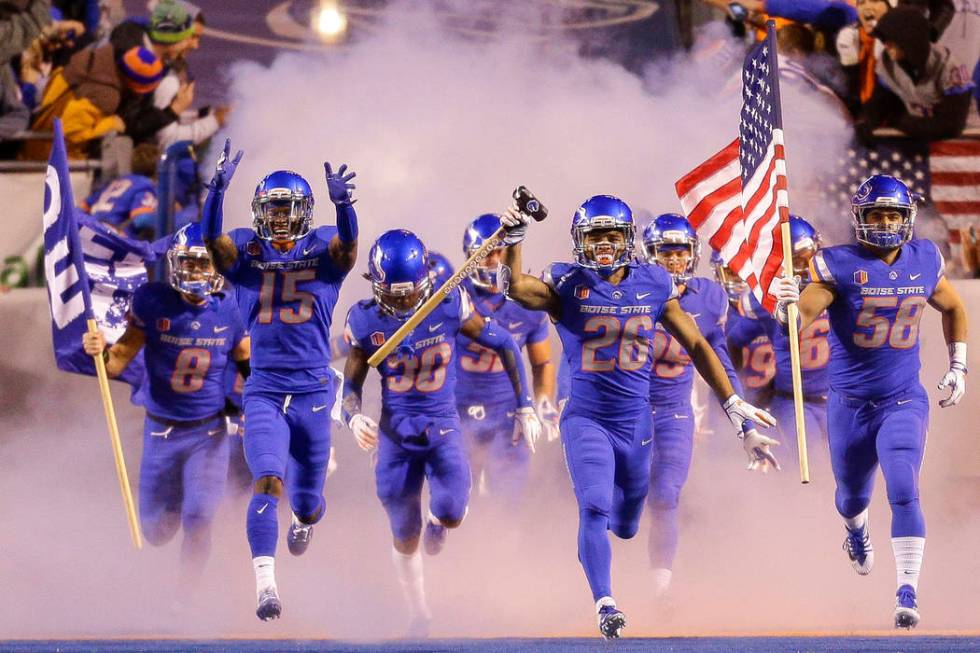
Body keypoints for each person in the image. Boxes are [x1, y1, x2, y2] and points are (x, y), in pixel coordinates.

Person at [499, 194, 778, 639]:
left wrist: (734, 409)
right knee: (593, 505)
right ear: (579, 241)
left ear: (628, 240)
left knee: (627, 524)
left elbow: (699, 346)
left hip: (637, 421)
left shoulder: (653, 283)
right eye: (595, 236)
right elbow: (516, 286)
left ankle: (617, 548)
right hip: (587, 418)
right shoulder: (567, 283)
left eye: (612, 235)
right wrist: (515, 240)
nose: (605, 244)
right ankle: (606, 603)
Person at [773, 174, 968, 629]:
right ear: (859, 218)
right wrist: (788, 308)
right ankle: (856, 532)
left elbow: (954, 307)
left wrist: (959, 364)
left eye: (892, 214)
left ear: (907, 218)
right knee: (851, 497)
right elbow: (800, 318)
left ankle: (907, 590)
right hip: (849, 404)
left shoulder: (924, 259)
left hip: (903, 398)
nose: (884, 222)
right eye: (876, 214)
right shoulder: (838, 265)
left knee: (903, 484)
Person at [341, 229, 540, 636]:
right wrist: (352, 416)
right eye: (392, 294)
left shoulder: (447, 304)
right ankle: (419, 612)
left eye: (408, 293)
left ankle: (438, 521)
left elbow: (504, 344)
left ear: (424, 283)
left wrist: (525, 405)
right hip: (395, 435)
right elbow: (352, 383)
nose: (401, 302)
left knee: (450, 512)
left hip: (444, 425)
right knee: (403, 529)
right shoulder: (364, 319)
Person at [200, 139, 358, 621]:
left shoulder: (324, 251)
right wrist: (216, 193)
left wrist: (345, 205)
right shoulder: (246, 252)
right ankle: (266, 586)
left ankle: (306, 519)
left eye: (289, 209)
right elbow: (213, 244)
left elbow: (348, 246)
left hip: (313, 389)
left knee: (308, 503)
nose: (282, 219)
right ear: (260, 211)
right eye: (274, 209)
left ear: (305, 212)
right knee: (267, 479)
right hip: (265, 388)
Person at [80, 222, 249, 588]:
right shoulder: (153, 302)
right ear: (175, 264)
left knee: (200, 517)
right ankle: (169, 518)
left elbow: (246, 362)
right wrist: (97, 350)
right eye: (189, 263)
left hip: (209, 432)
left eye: (204, 264)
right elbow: (117, 361)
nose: (196, 272)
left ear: (217, 268)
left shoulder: (230, 310)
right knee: (156, 531)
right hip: (161, 430)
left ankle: (184, 598)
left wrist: (254, 406)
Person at [640, 213, 771, 597]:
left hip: (674, 411)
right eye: (666, 254)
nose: (676, 262)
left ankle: (659, 588)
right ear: (650, 256)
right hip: (625, 409)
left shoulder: (709, 297)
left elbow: (719, 363)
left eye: (681, 253)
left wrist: (745, 427)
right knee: (625, 500)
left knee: (666, 494)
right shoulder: (630, 289)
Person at [455, 214, 558, 503]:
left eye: (498, 252)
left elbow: (542, 364)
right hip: (457, 410)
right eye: (483, 253)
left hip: (508, 413)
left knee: (507, 500)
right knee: (457, 500)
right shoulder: (454, 297)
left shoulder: (528, 302)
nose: (491, 260)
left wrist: (544, 404)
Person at [737, 216, 832, 455]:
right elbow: (733, 342)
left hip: (839, 396)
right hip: (794, 400)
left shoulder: (836, 285)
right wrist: (749, 386)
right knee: (809, 463)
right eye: (795, 260)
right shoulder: (765, 299)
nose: (805, 264)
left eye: (808, 255)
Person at [710, 250, 775, 410]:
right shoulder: (711, 312)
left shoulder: (771, 307)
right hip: (726, 400)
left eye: (746, 273)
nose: (740, 280)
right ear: (719, 274)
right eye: (732, 273)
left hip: (773, 400)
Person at [80, 142, 159, 238]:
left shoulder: (116, 182)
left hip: (88, 230)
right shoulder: (146, 185)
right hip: (112, 237)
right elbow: (141, 220)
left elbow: (81, 207)